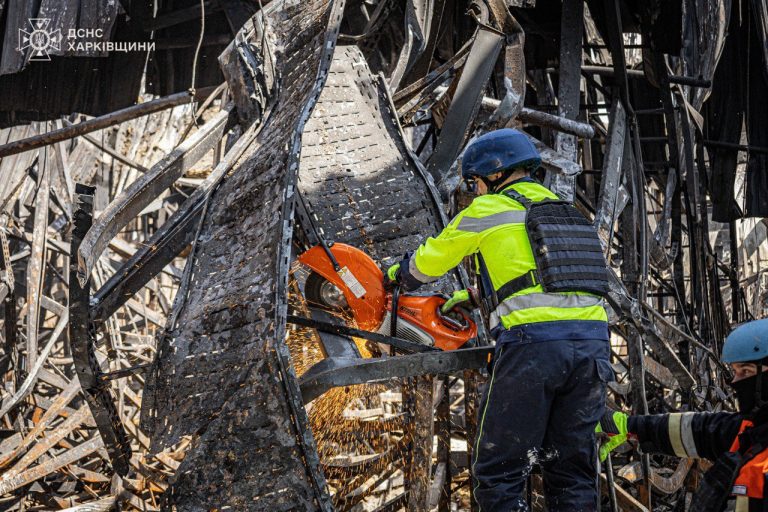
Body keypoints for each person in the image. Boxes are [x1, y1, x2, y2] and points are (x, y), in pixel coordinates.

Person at [385, 128, 612, 511]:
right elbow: (552, 276)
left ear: (492, 175)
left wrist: (396, 275)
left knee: (501, 472)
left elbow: (428, 263)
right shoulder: (566, 211)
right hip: (593, 347)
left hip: (534, 350)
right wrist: (478, 298)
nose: (473, 192)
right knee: (570, 471)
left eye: (474, 184)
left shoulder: (488, 210)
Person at [598, 318, 768, 512]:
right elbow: (698, 431)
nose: (735, 382)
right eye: (736, 372)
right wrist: (629, 427)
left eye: (746, 372)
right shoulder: (750, 431)